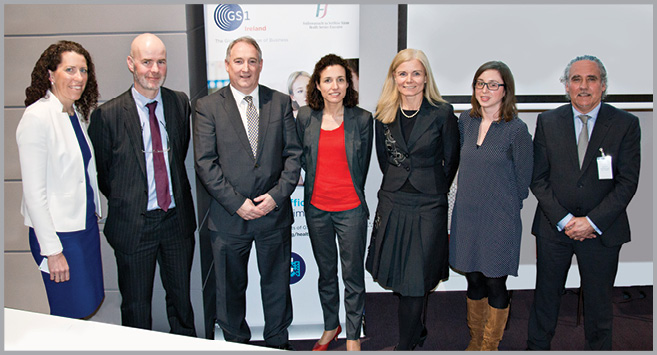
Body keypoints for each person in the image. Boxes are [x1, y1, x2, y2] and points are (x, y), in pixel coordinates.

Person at [193, 36, 302, 350]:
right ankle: (235, 344)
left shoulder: (280, 102)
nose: (245, 68)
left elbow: (294, 156)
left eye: (252, 61)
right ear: (227, 65)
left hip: (274, 214)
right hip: (229, 218)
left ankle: (277, 343)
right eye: (238, 61)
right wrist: (237, 203)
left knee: (277, 286)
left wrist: (276, 197)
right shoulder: (208, 107)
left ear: (261, 65)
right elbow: (205, 162)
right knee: (229, 291)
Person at [527, 55, 641, 350]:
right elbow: (538, 178)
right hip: (555, 229)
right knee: (545, 298)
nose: (583, 86)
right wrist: (565, 220)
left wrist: (591, 222)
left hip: (602, 231)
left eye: (591, 79)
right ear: (566, 86)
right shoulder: (548, 121)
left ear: (603, 86)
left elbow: (627, 182)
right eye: (576, 79)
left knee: (599, 303)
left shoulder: (626, 124)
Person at [88, 33, 196, 336]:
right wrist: (133, 199)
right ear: (131, 63)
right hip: (135, 226)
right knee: (135, 309)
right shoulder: (107, 115)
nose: (154, 69)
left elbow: (179, 153)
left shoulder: (179, 103)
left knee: (182, 305)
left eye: (161, 62)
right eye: (146, 61)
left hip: (176, 222)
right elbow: (105, 175)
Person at [365, 48, 460, 350]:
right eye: (403, 73)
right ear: (394, 77)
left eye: (416, 73)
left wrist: (432, 187)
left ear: (425, 77)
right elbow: (384, 160)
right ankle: (417, 331)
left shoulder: (442, 112)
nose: (409, 80)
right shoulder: (382, 113)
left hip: (429, 204)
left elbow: (451, 158)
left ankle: (406, 345)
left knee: (416, 278)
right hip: (394, 202)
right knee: (400, 275)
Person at [449, 61, 533, 350]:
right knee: (473, 279)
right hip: (467, 217)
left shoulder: (517, 130)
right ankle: (476, 340)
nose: (485, 90)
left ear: (505, 90)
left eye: (493, 84)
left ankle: (490, 344)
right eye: (480, 84)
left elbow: (524, 181)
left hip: (500, 219)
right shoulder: (465, 121)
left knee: (496, 283)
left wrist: (502, 204)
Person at [16, 40, 104, 319]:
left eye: (83, 70)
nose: (79, 77)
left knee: (87, 306)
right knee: (70, 312)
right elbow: (34, 194)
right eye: (70, 70)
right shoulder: (37, 117)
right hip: (59, 237)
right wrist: (52, 251)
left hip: (84, 228)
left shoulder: (74, 113)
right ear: (51, 74)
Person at [296, 54, 373, 351]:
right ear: (318, 84)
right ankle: (332, 325)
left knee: (352, 275)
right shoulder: (305, 117)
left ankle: (353, 334)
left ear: (348, 84)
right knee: (326, 273)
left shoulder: (363, 119)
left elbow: (361, 167)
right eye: (328, 80)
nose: (335, 86)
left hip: (351, 209)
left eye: (341, 79)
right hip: (316, 209)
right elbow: (301, 158)